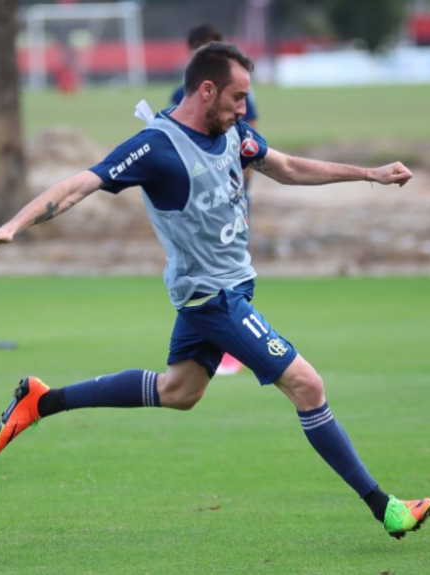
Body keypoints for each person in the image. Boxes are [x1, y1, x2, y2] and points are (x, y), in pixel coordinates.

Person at [0, 42, 430, 539]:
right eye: (238, 98)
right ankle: (384, 507)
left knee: (180, 392)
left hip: (223, 292)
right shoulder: (157, 147)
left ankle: (42, 401)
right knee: (308, 386)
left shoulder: (233, 133)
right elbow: (78, 185)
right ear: (207, 89)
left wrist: (370, 174)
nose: (244, 109)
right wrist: (13, 226)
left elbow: (286, 167)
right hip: (214, 299)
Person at [169, 22, 259, 376]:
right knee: (177, 390)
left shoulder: (236, 92)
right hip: (196, 205)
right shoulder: (181, 94)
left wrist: (241, 185)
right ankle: (226, 343)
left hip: (231, 194)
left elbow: (247, 139)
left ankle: (233, 348)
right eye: (198, 48)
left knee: (232, 268)